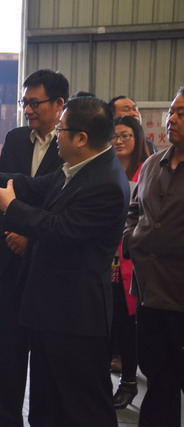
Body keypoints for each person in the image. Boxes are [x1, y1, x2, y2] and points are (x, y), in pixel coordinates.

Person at [0, 96, 129, 427]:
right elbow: (32, 186)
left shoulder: (106, 183)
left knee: (82, 406)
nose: (56, 136)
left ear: (81, 138)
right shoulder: (78, 168)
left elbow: (60, 229)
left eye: (61, 130)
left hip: (75, 316)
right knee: (47, 402)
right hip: (50, 311)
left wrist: (11, 208)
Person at [0, 69, 67, 427]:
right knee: (10, 345)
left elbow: (63, 205)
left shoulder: (71, 143)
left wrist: (30, 237)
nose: (28, 110)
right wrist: (12, 233)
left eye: (35, 103)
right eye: (25, 103)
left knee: (45, 351)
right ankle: (5, 416)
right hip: (12, 257)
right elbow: (5, 191)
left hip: (49, 262)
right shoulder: (16, 138)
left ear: (59, 104)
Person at [123, 87, 184, 427]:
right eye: (171, 112)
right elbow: (134, 211)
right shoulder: (151, 165)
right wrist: (131, 238)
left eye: (181, 114)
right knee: (158, 376)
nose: (171, 119)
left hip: (180, 294)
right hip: (149, 293)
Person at [109, 115, 149, 410]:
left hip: (131, 261)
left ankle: (129, 382)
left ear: (137, 139)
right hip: (104, 259)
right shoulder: (106, 170)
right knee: (107, 323)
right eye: (115, 136)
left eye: (126, 135)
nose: (119, 141)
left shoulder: (146, 170)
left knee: (127, 325)